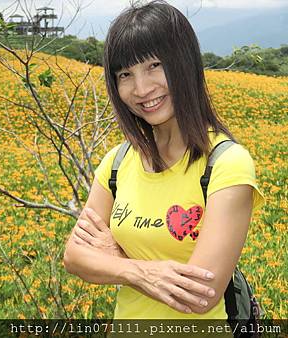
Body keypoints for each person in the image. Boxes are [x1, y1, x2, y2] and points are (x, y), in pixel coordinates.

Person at [63, 0, 264, 322]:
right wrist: (140, 270)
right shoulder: (116, 163)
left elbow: (200, 294)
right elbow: (74, 257)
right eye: (125, 74)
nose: (141, 88)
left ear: (185, 63)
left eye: (154, 65)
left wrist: (118, 259)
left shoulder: (226, 163)